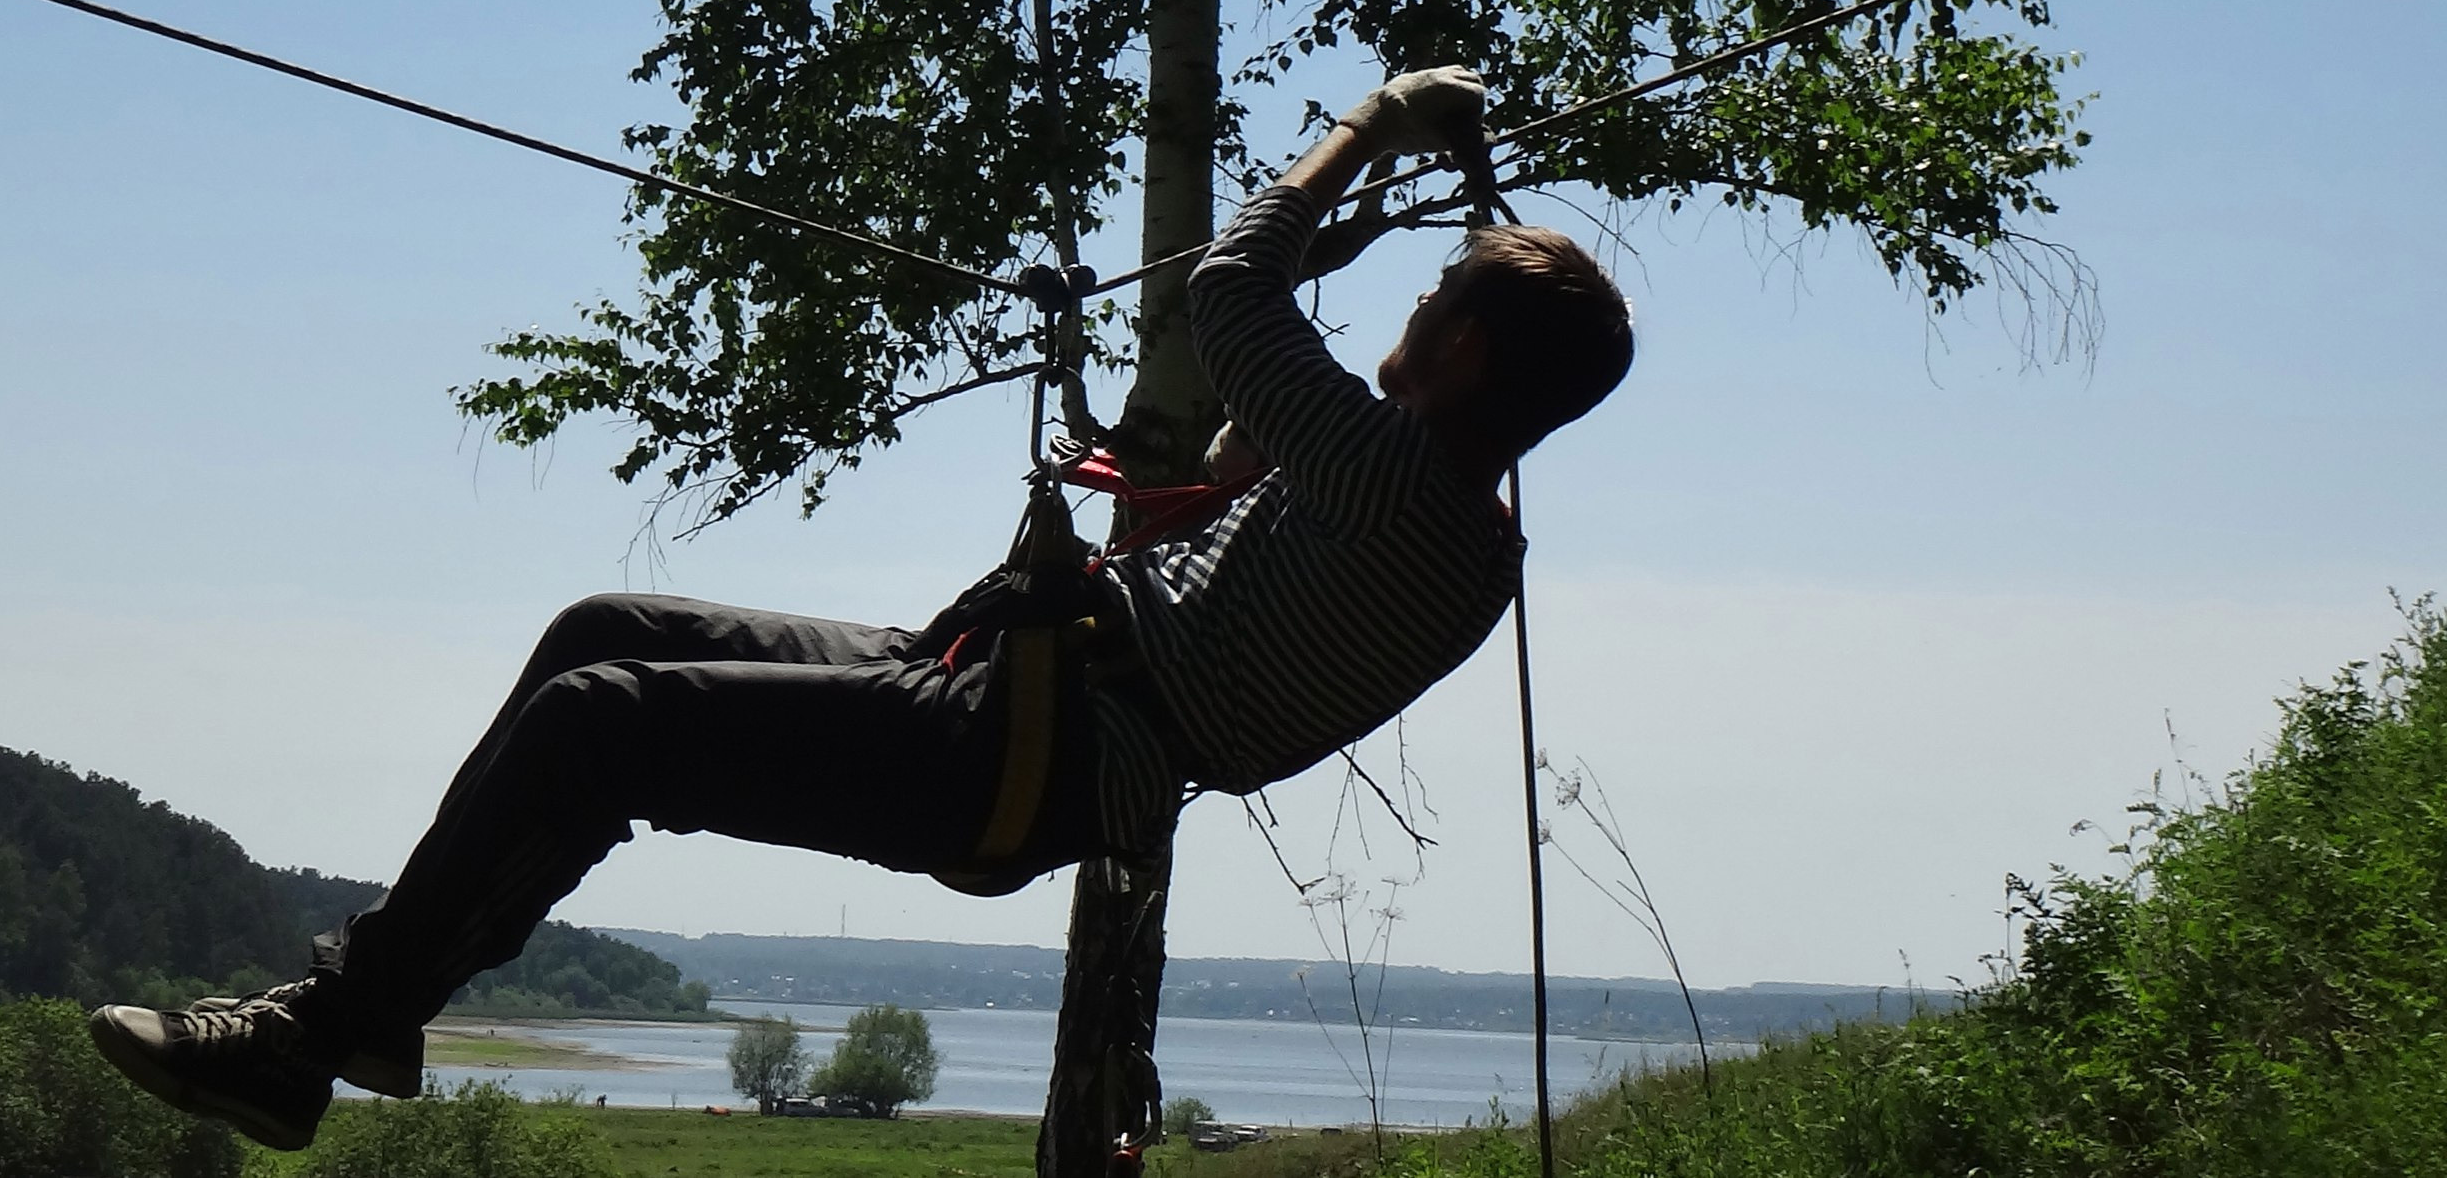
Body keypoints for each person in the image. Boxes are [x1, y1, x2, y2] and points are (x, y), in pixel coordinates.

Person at [86, 67, 1635, 1150]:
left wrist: (1373, 124)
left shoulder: (1392, 478)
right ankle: (373, 1013)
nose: (1409, 318)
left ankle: (322, 1031)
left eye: (1435, 307)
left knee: (602, 724)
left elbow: (1229, 293)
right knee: (600, 630)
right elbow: (1255, 498)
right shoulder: (1455, 546)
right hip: (1018, 694)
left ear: (1476, 359)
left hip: (1024, 747)